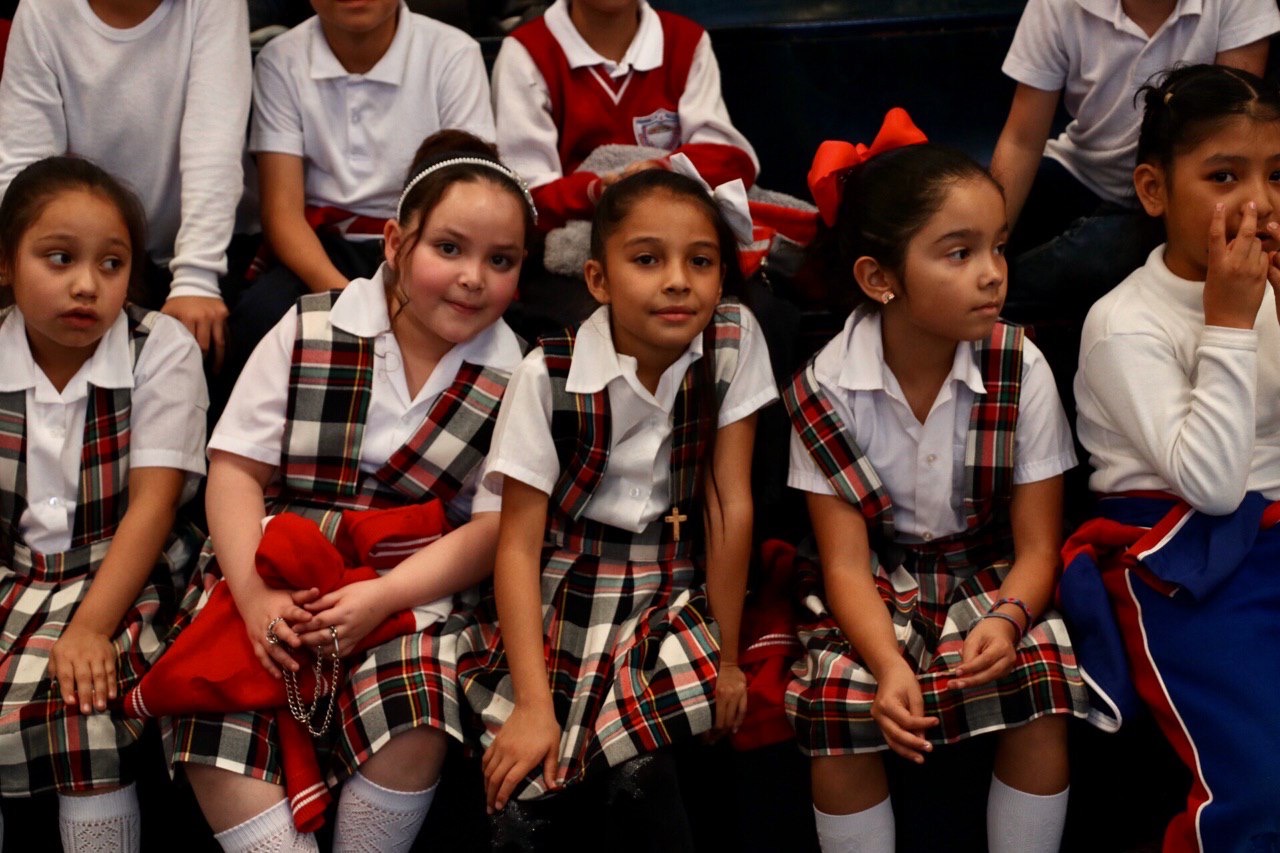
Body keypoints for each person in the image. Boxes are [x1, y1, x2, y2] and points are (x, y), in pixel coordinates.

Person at [169, 130, 532, 853]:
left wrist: (382, 597)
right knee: (216, 707)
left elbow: (495, 527)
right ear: (394, 243)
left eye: (501, 260)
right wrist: (254, 598)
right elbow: (236, 470)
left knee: (419, 708)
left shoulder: (514, 370)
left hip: (407, 580)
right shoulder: (310, 325)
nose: (473, 278)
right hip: (273, 565)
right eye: (449, 248)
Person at [784, 110, 1092, 853]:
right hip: (876, 582)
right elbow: (844, 565)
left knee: (1042, 681)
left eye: (998, 247)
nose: (992, 273)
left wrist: (1007, 619)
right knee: (839, 703)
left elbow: (1038, 547)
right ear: (879, 279)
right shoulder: (825, 388)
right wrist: (888, 665)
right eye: (959, 253)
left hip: (989, 570)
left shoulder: (1020, 365)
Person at [457, 166, 776, 849]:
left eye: (700, 261)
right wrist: (532, 703)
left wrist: (725, 654)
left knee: (648, 759)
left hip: (675, 587)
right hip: (566, 587)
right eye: (647, 260)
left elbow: (729, 504)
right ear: (598, 280)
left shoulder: (733, 339)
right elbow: (517, 544)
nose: (678, 281)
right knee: (536, 778)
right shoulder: (547, 373)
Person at [1066, 63, 1280, 852]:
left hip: (1272, 533)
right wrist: (1229, 323)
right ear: (1154, 190)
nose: (1258, 203)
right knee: (1260, 790)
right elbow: (1214, 486)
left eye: (1276, 174)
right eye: (1224, 176)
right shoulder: (1124, 322)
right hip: (1183, 561)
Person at [0, 157, 208, 852]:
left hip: (122, 571)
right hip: (13, 572)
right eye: (59, 258)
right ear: (6, 264)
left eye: (111, 264)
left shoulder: (159, 348)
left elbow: (153, 505)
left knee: (86, 705)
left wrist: (90, 627)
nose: (87, 284)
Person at [224, 0, 496, 392]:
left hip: (423, 242)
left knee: (468, 321)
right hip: (320, 246)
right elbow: (282, 212)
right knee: (259, 317)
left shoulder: (452, 53)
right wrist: (346, 298)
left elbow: (468, 192)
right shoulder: (281, 59)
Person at [990, 0, 1279, 327]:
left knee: (1092, 258)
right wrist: (988, 243)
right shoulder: (1055, 6)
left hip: (1172, 190)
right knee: (970, 221)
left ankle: (993, 308)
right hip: (1082, 169)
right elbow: (1022, 141)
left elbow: (1238, 129)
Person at [0, 0, 252, 368]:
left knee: (225, 344)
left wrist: (196, 279)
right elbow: (25, 169)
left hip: (205, 251)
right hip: (82, 254)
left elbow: (213, 146)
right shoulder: (42, 10)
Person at [492, 0, 758, 232]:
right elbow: (524, 196)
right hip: (577, 239)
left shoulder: (687, 40)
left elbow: (730, 160)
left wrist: (661, 171)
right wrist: (596, 192)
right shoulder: (526, 51)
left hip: (675, 229)